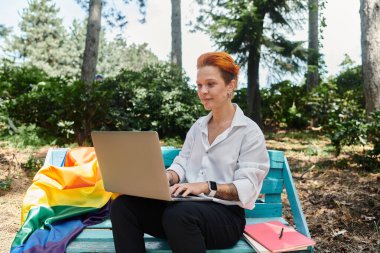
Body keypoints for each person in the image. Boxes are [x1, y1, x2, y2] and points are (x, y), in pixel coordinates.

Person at [110, 52, 270, 253]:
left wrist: (205, 187)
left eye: (210, 84)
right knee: (123, 206)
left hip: (225, 219)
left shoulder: (249, 132)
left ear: (231, 85)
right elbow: (182, 163)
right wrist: (168, 176)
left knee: (179, 215)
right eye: (199, 85)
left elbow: (248, 187)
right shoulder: (198, 127)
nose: (203, 91)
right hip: (180, 211)